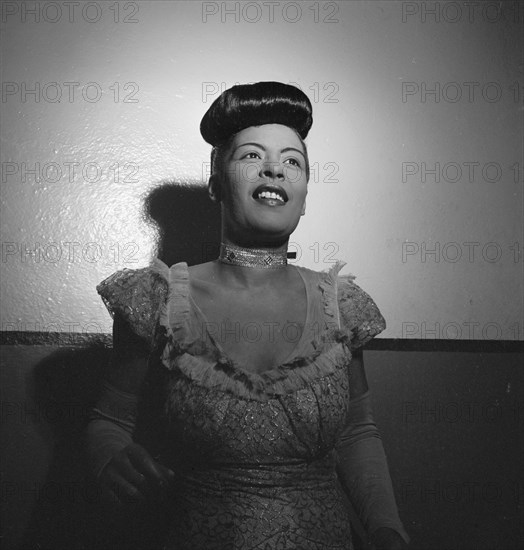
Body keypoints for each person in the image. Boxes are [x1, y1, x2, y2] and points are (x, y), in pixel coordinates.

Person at [87, 81, 410, 550]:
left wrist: (386, 530)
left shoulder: (341, 305)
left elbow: (358, 432)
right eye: (252, 156)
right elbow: (108, 422)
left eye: (292, 161)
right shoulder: (154, 298)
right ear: (218, 182)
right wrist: (109, 461)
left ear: (305, 193)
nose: (275, 168)